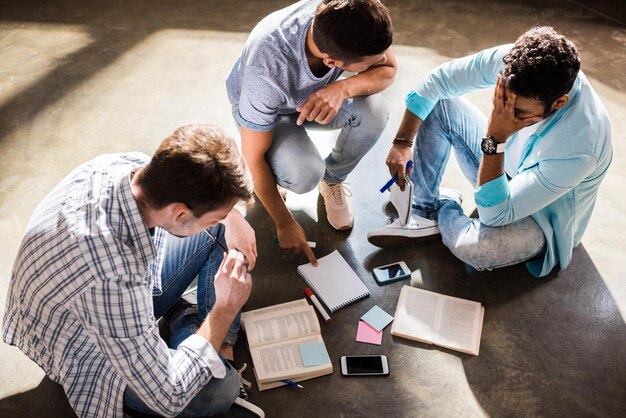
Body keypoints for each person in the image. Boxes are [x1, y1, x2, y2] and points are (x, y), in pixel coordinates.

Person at [3, 125, 265, 417]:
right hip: (86, 347)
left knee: (224, 232)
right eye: (211, 216)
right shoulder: (111, 274)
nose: (217, 220)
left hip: (103, 296)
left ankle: (199, 338)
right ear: (179, 213)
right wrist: (225, 309)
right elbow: (169, 396)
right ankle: (201, 339)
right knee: (222, 389)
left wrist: (230, 218)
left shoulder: (128, 167)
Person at [369, 26, 612, 277]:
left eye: (520, 114)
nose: (506, 115)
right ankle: (424, 210)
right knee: (438, 104)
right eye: (503, 102)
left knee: (477, 250)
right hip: (508, 167)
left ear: (559, 102)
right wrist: (402, 142)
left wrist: (495, 138)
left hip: (541, 218)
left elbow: (496, 214)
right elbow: (438, 81)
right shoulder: (517, 62)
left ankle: (444, 206)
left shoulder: (580, 147)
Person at [226, 0, 396, 264]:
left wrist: (342, 88)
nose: (382, 59)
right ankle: (277, 175)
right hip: (270, 113)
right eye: (370, 62)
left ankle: (332, 179)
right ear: (331, 61)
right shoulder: (267, 69)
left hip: (315, 99)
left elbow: (387, 69)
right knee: (303, 175)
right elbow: (252, 157)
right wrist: (284, 222)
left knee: (374, 110)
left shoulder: (351, 17)